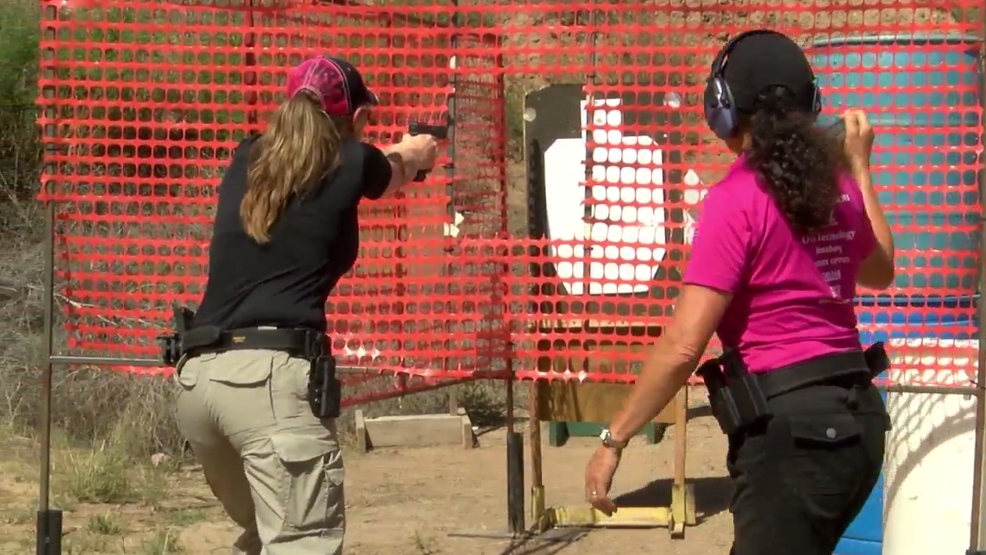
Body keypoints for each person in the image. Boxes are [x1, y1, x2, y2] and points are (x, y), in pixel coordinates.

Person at [582, 29, 896, 555]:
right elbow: (882, 271)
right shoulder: (836, 188)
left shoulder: (735, 200)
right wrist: (860, 171)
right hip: (858, 423)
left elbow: (684, 345)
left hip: (791, 436)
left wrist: (614, 439)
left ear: (724, 109)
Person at [172, 55, 438, 555]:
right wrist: (419, 148)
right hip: (267, 386)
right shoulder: (354, 159)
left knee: (265, 537)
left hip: (199, 381)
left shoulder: (247, 156)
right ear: (356, 120)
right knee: (300, 543)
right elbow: (394, 167)